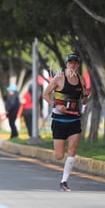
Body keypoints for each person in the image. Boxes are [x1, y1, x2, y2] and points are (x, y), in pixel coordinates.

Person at [42, 53, 90, 192]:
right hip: (59, 120)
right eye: (70, 62)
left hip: (74, 119)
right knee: (59, 156)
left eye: (75, 63)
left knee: (73, 147)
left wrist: (86, 97)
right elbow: (45, 94)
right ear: (66, 64)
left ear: (79, 65)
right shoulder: (59, 78)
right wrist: (55, 105)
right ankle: (63, 177)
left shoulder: (81, 80)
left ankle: (64, 181)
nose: (73, 65)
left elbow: (83, 99)